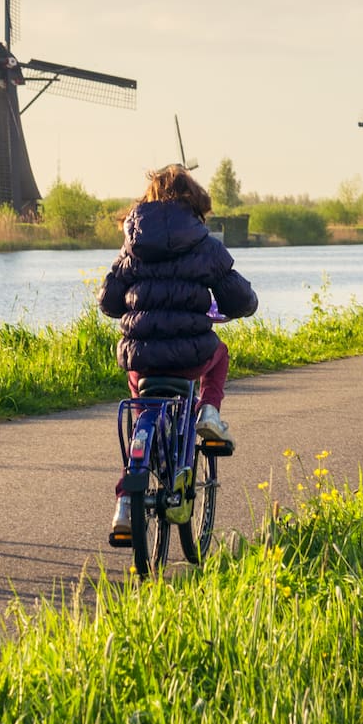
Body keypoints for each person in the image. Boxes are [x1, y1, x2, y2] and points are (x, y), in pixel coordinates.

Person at [98, 165, 258, 543]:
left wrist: (137, 304)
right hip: (191, 357)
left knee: (142, 416)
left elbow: (108, 301)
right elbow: (239, 298)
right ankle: (209, 413)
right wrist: (243, 304)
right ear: (194, 203)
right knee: (220, 354)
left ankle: (125, 506)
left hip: (142, 359)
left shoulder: (132, 246)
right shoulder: (204, 245)